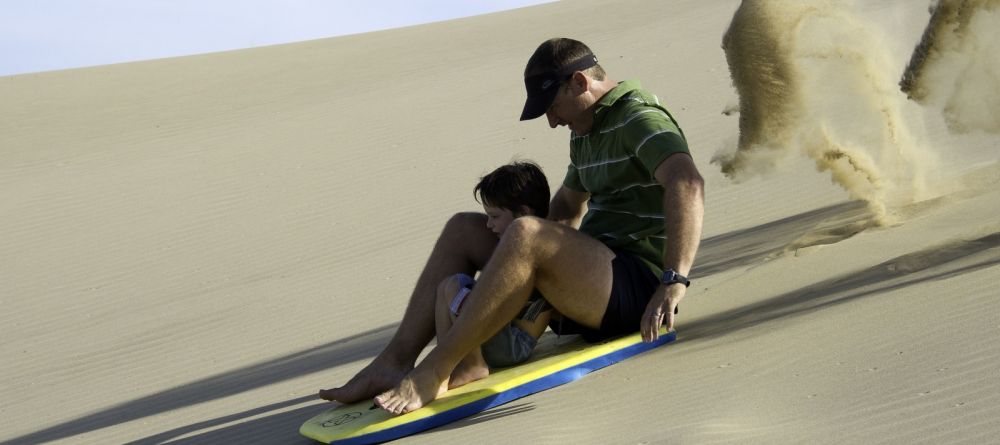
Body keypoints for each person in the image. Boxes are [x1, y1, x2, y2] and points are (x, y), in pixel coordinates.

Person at [320, 37, 704, 416]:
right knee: (464, 229)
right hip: (595, 273)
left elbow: (687, 183)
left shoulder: (639, 118)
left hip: (639, 290)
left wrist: (673, 280)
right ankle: (395, 360)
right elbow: (568, 204)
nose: (553, 122)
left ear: (580, 83)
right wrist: (516, 268)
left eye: (552, 107)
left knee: (526, 231)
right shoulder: (587, 130)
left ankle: (436, 367)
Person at [437, 161, 554, 388]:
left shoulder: (537, 247)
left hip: (515, 343)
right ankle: (447, 362)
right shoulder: (520, 247)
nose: (488, 224)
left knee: (456, 284)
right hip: (504, 337)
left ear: (524, 213)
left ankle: (472, 365)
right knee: (445, 286)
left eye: (494, 216)